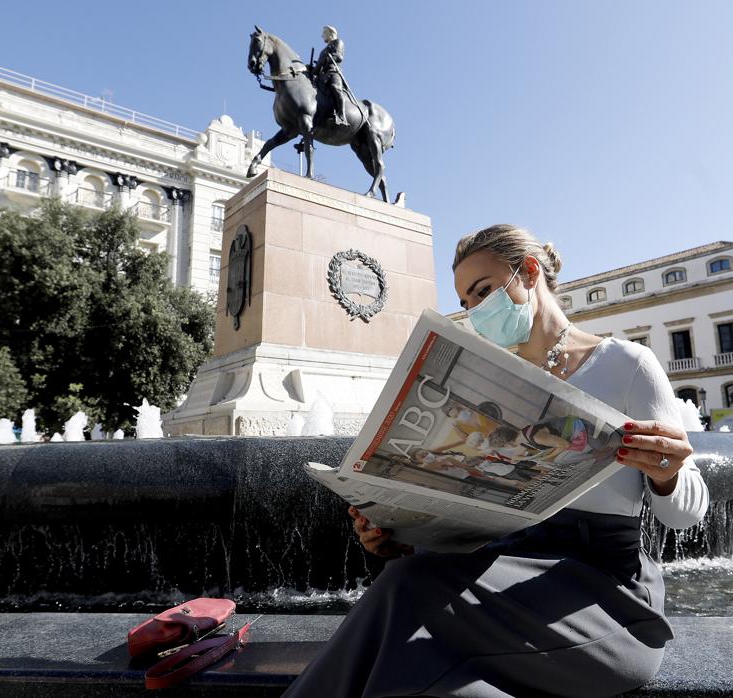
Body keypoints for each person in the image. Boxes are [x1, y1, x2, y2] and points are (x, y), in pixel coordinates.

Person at [282, 225, 710, 698]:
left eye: (483, 292)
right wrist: (395, 534)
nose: (474, 311)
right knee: (409, 665)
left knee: (407, 591)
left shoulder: (627, 364)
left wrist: (668, 474)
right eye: (466, 303)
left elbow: (684, 515)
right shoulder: (485, 379)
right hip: (504, 581)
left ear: (528, 272)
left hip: (604, 603)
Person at [314, 25, 348, 126]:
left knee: (335, 88)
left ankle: (342, 116)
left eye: (324, 33)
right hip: (323, 76)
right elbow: (318, 67)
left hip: (334, 72)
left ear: (331, 33)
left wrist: (329, 57)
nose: (322, 35)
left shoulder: (338, 42)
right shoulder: (322, 51)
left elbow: (339, 56)